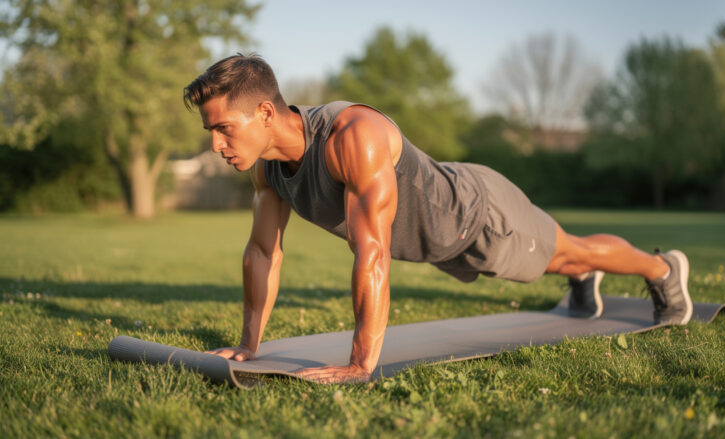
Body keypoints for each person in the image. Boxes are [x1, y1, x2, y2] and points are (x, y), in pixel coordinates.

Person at [183, 54, 692, 384]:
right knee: (563, 259)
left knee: (569, 251)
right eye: (212, 131)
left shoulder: (351, 137)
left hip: (480, 215)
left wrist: (362, 362)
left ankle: (663, 269)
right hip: (439, 240)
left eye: (224, 128)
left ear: (266, 113)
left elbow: (372, 253)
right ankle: (585, 276)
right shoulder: (268, 172)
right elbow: (263, 252)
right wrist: (250, 345)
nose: (216, 145)